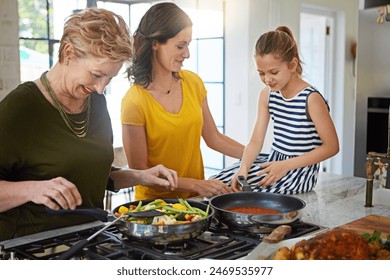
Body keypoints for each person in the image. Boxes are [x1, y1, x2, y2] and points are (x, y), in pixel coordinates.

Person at [0, 8, 178, 241]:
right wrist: (33, 189)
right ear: (68, 53)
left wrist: (141, 176)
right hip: (34, 249)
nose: (101, 88)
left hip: (90, 240)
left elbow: (92, 174)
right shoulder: (22, 106)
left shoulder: (96, 102)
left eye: (110, 79)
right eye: (96, 74)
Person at [121, 2, 244, 200]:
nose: (186, 53)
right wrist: (196, 183)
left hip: (196, 202)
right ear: (155, 44)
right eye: (180, 46)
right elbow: (141, 172)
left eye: (188, 45)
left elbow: (214, 138)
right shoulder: (134, 101)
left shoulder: (192, 83)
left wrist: (256, 157)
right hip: (155, 208)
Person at [210, 26, 339, 194]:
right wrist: (243, 168)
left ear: (292, 65)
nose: (267, 79)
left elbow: (332, 146)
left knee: (253, 195)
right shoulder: (267, 95)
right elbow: (256, 141)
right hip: (274, 161)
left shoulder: (311, 98)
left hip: (298, 171)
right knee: (217, 183)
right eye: (261, 73)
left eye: (274, 72)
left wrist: (285, 165)